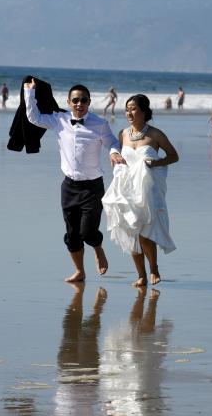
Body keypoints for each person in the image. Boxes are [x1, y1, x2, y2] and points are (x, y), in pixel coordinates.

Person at [23, 79, 125, 282]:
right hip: (69, 186)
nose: (80, 104)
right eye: (76, 100)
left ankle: (98, 248)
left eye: (84, 100)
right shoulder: (58, 120)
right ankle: (80, 271)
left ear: (89, 102)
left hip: (93, 187)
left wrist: (114, 153)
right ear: (69, 102)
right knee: (72, 234)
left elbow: (113, 142)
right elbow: (33, 117)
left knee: (87, 231)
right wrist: (29, 93)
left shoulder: (100, 124)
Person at [102, 94, 178, 286]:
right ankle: (141, 275)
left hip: (148, 189)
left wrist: (157, 162)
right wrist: (115, 157)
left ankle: (154, 268)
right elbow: (116, 154)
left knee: (145, 231)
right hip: (127, 188)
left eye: (133, 108)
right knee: (130, 231)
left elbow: (174, 156)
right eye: (127, 109)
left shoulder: (156, 134)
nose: (129, 112)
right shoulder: (123, 134)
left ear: (144, 111)